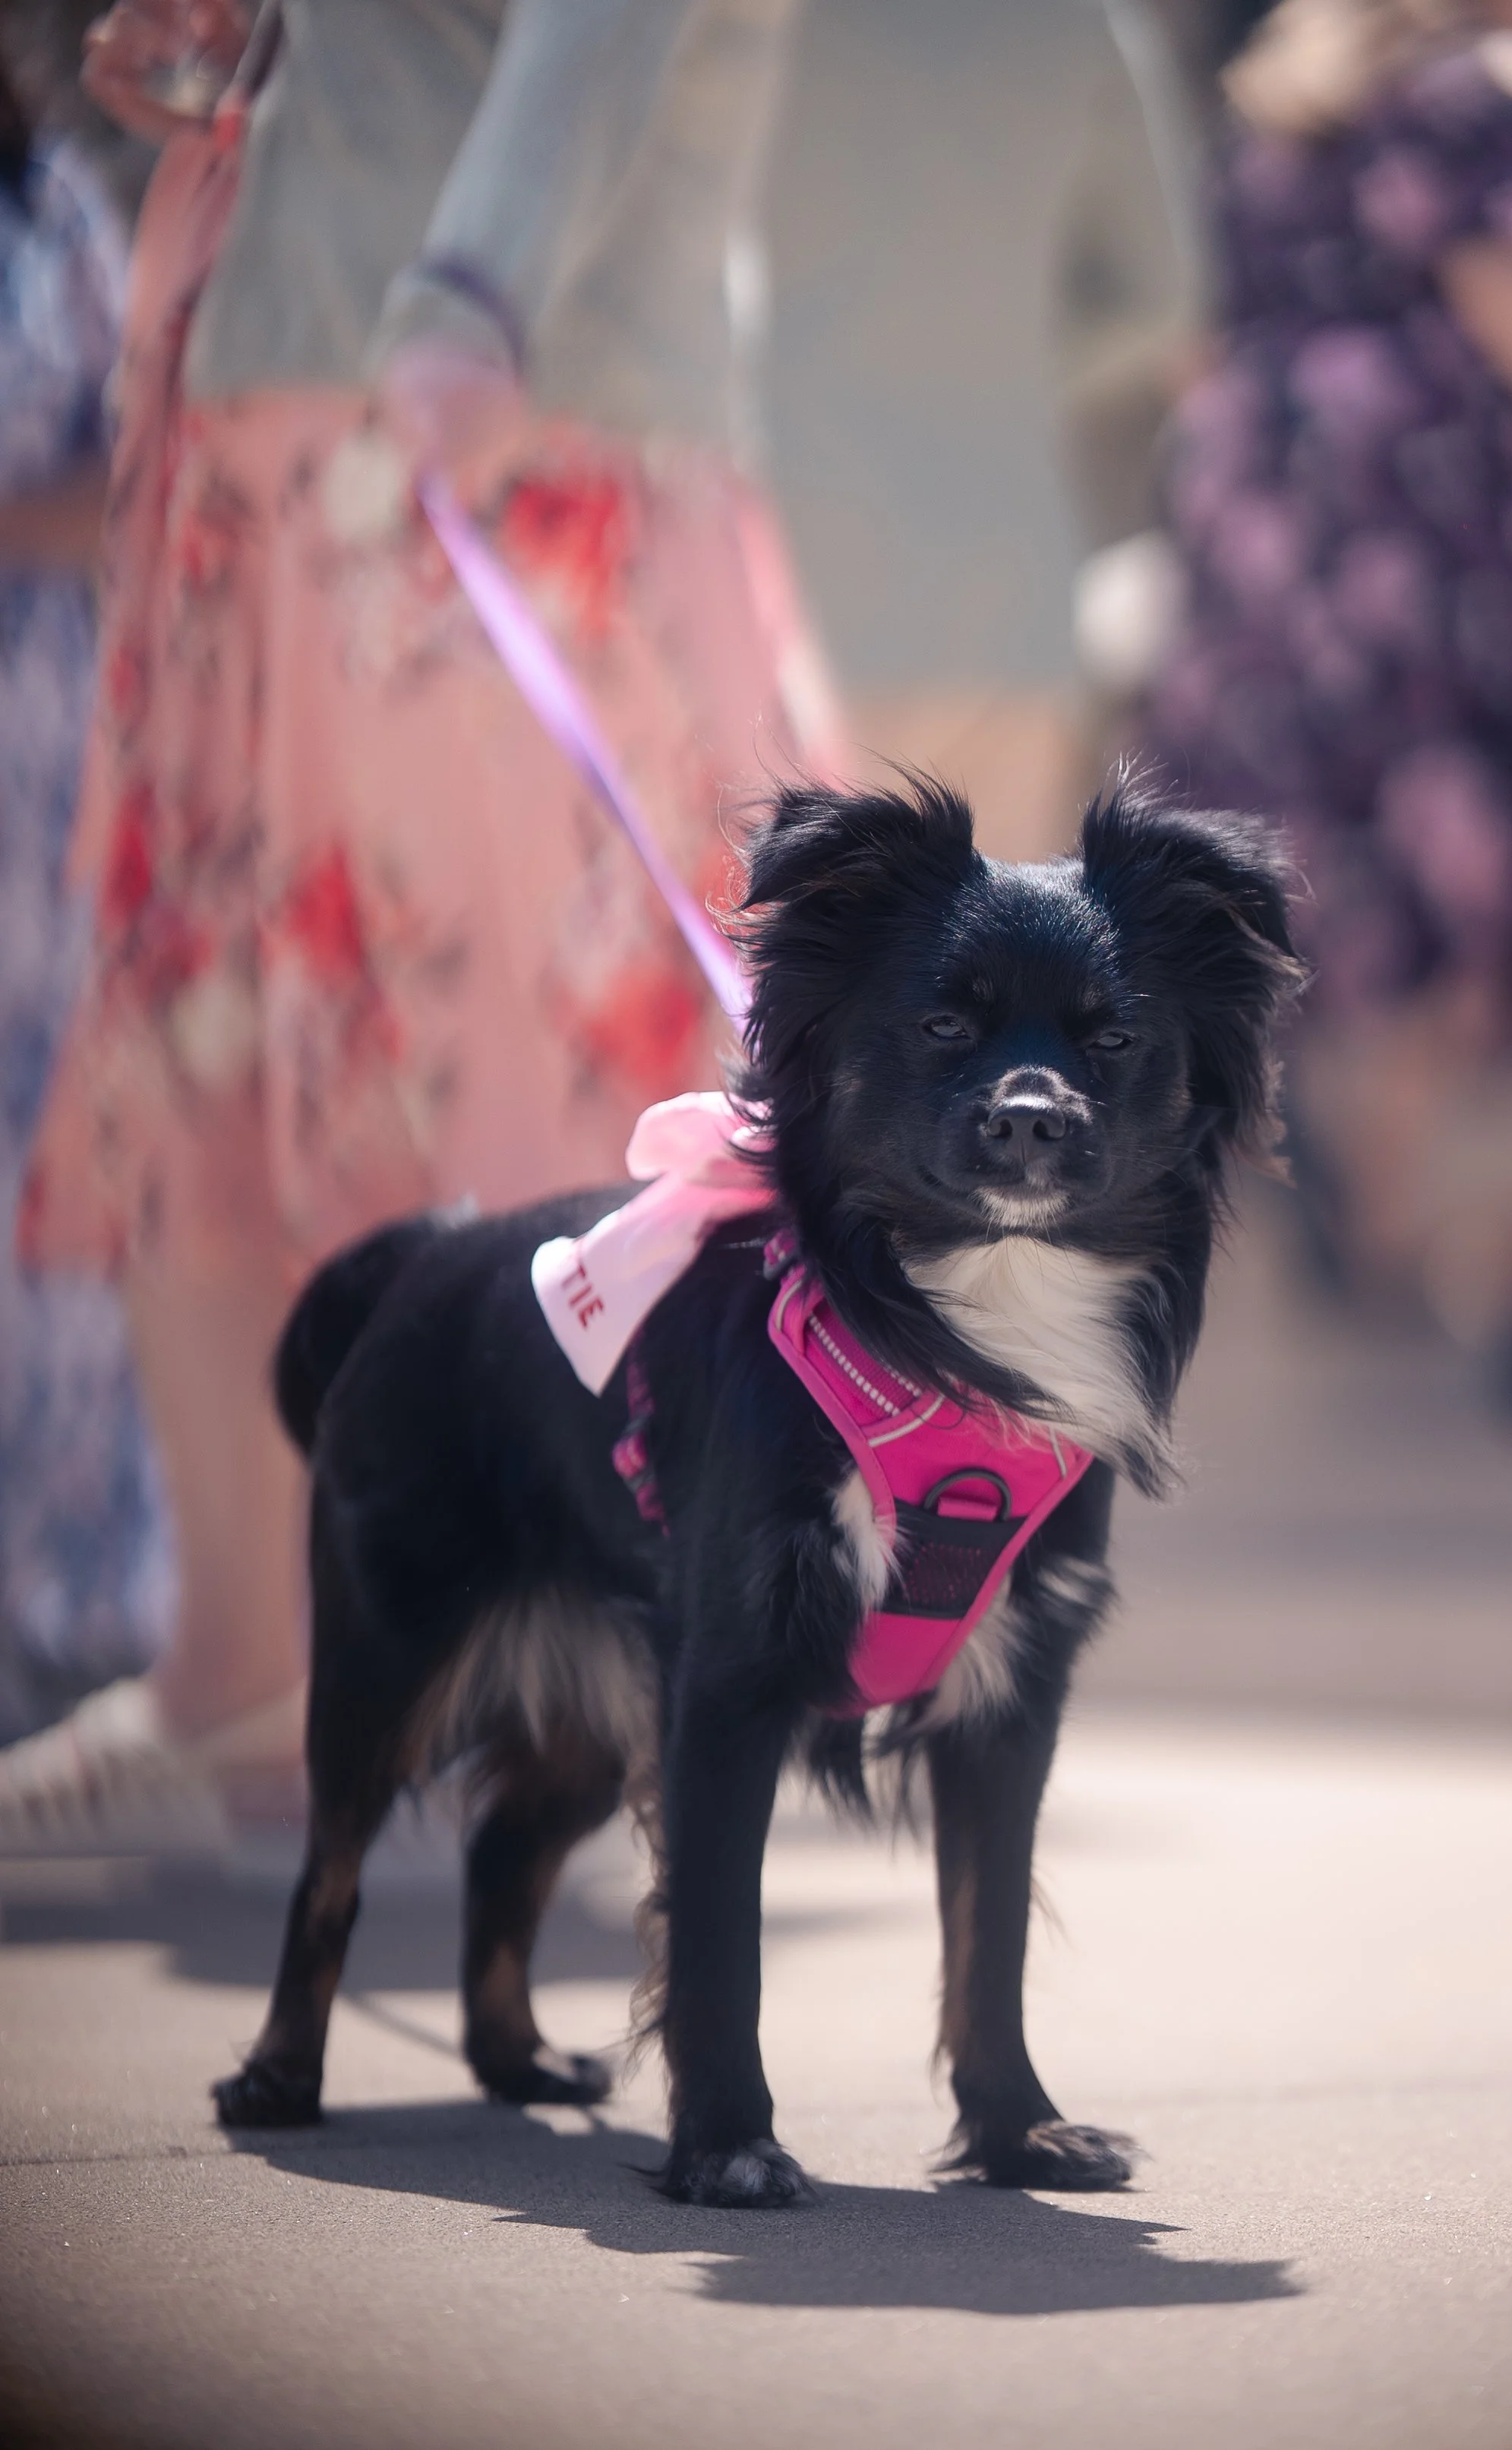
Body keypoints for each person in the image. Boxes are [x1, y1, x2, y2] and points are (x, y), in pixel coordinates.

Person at [0, 0, 844, 1851]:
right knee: (218, 1026)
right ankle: (241, 1668)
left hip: (461, 413)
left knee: (496, 1065)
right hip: (304, 400)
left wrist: (476, 289)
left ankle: (533, 1681)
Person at [1140, 0, 1512, 1309]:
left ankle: (1338, 1157)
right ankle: (1396, 1197)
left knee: (1309, 845)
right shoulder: (1492, 94)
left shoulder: (1281, 98)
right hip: (1434, 530)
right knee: (1462, 844)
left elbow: (1196, 328)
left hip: (1270, 520)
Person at [0, 40, 173, 1751]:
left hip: (50, 751)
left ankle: (78, 1600)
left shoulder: (60, 208)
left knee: (67, 1166)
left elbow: (133, 465)